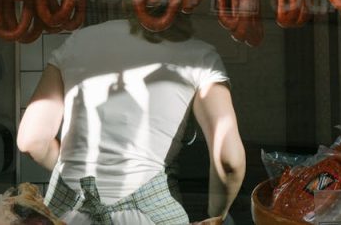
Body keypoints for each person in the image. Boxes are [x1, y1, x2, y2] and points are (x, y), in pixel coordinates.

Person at [16, 15, 245, 225]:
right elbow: (229, 161)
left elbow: (32, 141)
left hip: (67, 216)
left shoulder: (79, 41)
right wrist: (218, 214)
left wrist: (77, 175)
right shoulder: (200, 56)